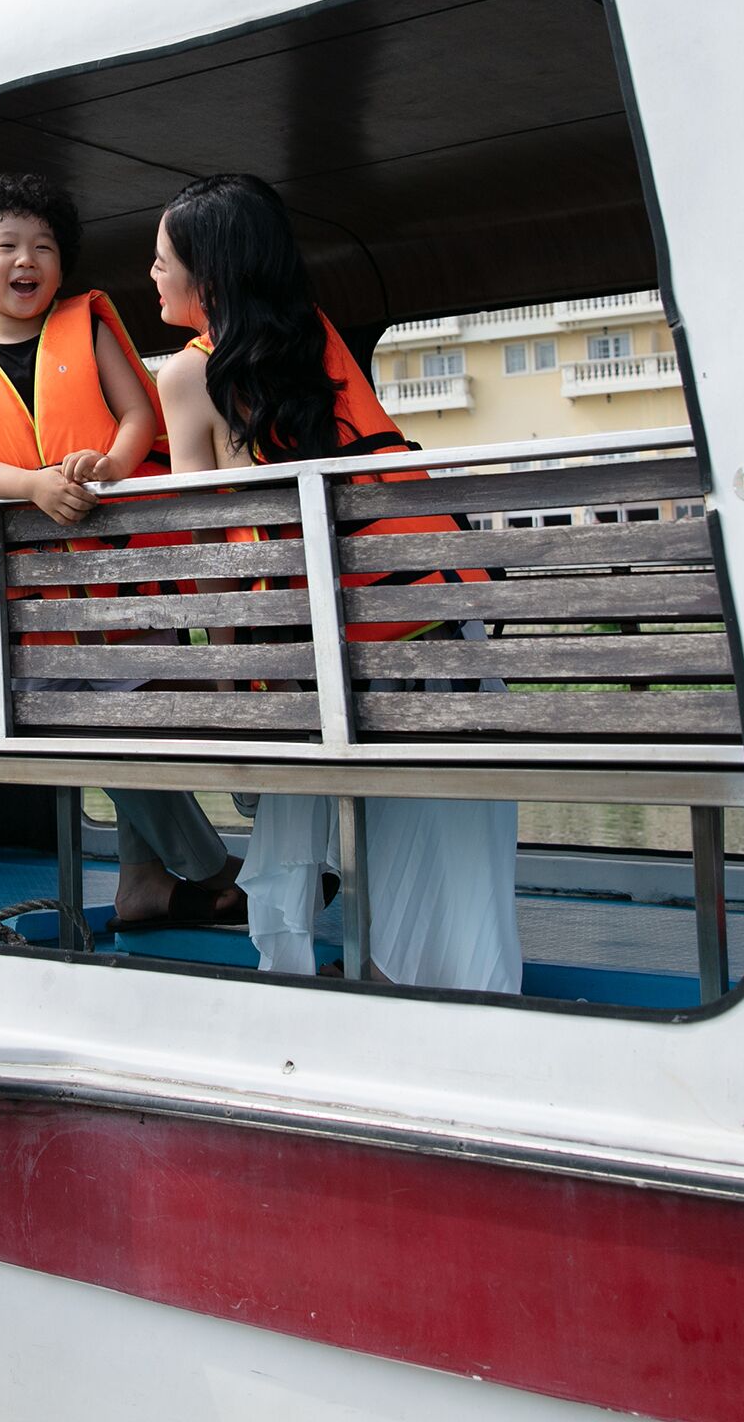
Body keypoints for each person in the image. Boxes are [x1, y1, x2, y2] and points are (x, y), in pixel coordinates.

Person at [150, 172, 521, 993]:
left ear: (206, 279)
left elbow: (202, 531)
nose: (152, 274)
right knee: (436, 856)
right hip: (434, 620)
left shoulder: (186, 374)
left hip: (322, 654)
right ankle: (432, 983)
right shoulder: (315, 333)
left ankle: (343, 970)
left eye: (162, 260)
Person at [0, 172, 243, 930]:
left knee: (129, 715)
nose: (26, 258)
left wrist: (111, 465)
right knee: (101, 723)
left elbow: (138, 414)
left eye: (43, 246)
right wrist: (34, 485)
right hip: (37, 603)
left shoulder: (89, 325)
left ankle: (154, 878)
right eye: (6, 246)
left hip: (123, 582)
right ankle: (210, 869)